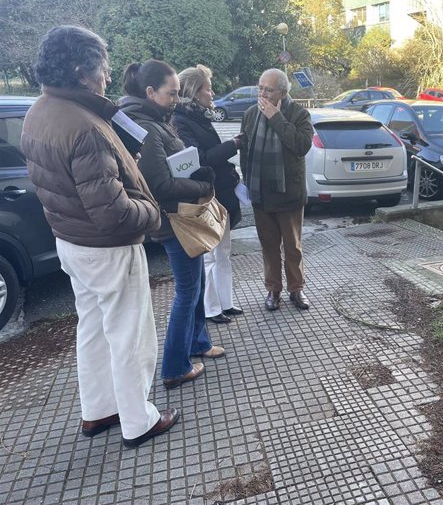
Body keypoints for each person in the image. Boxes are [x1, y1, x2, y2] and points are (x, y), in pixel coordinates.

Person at [21, 26, 179, 448]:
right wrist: (152, 213)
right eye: (103, 70)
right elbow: (112, 213)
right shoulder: (83, 125)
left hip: (71, 242)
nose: (107, 78)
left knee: (92, 328)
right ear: (81, 72)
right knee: (129, 333)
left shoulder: (40, 109)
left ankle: (98, 411)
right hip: (106, 248)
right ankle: (138, 420)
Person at [120, 59, 225, 390]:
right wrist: (202, 185)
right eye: (172, 93)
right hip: (173, 221)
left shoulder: (151, 119)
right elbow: (160, 185)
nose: (177, 100)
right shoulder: (147, 127)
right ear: (150, 92)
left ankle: (198, 344)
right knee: (187, 290)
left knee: (195, 284)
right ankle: (175, 367)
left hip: (178, 219)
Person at [173, 65, 244, 325]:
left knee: (223, 251)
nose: (212, 93)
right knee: (211, 254)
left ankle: (226, 302)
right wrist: (232, 145)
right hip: (205, 197)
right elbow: (199, 160)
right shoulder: (181, 120)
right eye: (208, 88)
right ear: (194, 91)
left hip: (220, 193)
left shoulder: (198, 116)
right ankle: (211, 308)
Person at [239, 68, 314, 311]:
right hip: (262, 195)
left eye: (268, 89)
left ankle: (297, 289)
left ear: (282, 91)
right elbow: (245, 151)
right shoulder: (250, 114)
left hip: (289, 195)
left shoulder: (299, 113)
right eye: (260, 88)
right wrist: (248, 182)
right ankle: (273, 290)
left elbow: (301, 145)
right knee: (268, 246)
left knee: (293, 247)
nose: (262, 93)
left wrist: (275, 117)